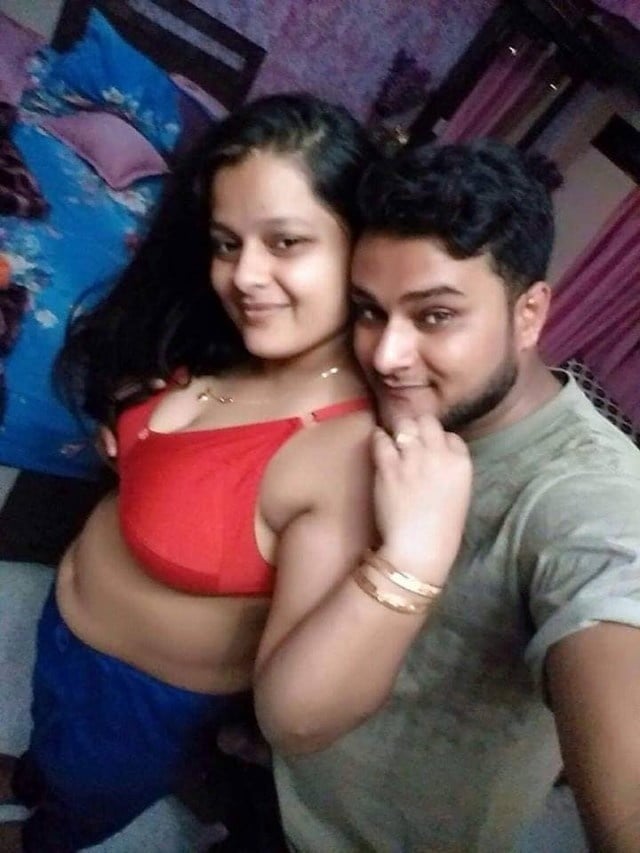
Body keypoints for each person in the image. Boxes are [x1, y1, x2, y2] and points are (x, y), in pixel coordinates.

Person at [3, 92, 388, 853]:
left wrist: (411, 569)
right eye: (226, 242)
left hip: (139, 704)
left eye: (286, 242)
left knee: (76, 812)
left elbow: (299, 704)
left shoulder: (343, 455)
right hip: (67, 636)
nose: (244, 276)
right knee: (50, 753)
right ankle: (31, 777)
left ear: (362, 249)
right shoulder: (229, 338)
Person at [255, 140, 640, 852]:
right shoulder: (382, 387)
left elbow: (614, 595)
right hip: (270, 771)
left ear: (529, 315)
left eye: (434, 316)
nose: (387, 355)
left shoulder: (585, 495)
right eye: (370, 311)